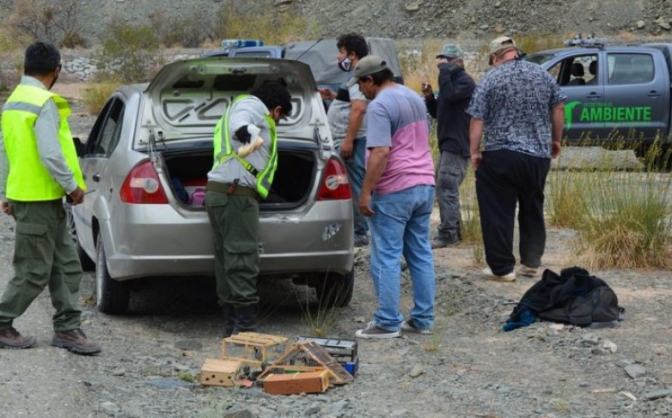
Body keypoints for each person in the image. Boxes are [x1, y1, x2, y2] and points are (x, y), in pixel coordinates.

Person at [0, 41, 101, 355]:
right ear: (56, 71)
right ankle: (2, 321)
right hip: (37, 200)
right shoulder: (43, 102)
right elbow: (50, 153)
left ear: (26, 68)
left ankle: (67, 328)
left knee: (67, 265)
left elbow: (6, 151)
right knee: (33, 270)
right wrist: (73, 186)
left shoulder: (14, 101)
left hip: (38, 198)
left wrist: (5, 191)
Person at [349, 56, 436, 339]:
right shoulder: (413, 97)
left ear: (370, 80)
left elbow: (381, 152)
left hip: (395, 189)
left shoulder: (380, 106)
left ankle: (387, 322)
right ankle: (422, 320)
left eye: (360, 84)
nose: (360, 91)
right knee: (420, 254)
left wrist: (365, 192)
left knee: (385, 256)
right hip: (424, 183)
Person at [467, 36, 566, 282]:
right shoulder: (542, 74)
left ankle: (502, 269)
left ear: (495, 57)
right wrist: (556, 139)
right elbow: (559, 107)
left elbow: (477, 119)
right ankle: (531, 262)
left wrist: (474, 151)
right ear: (515, 52)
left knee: (497, 211)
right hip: (537, 156)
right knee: (532, 206)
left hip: (502, 154)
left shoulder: (492, 77)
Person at [205, 82, 292, 337]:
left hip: (221, 192)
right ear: (275, 110)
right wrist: (247, 132)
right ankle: (245, 327)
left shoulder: (241, 106)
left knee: (226, 259)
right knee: (242, 257)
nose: (277, 123)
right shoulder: (251, 105)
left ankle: (232, 325)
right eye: (280, 118)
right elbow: (240, 122)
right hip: (236, 196)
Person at [422, 44, 476, 249]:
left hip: (458, 144)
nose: (443, 65)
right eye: (442, 61)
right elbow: (439, 113)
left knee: (446, 187)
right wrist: (429, 98)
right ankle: (453, 229)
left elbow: (452, 95)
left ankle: (449, 233)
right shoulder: (450, 83)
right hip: (449, 143)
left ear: (459, 62)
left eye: (448, 60)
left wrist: (443, 73)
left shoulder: (465, 81)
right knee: (445, 187)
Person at [319, 33, 370, 247]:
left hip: (351, 142)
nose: (338, 58)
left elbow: (358, 109)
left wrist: (348, 141)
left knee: (354, 185)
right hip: (348, 140)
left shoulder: (359, 76)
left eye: (341, 53)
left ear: (352, 54)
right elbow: (351, 103)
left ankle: (360, 232)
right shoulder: (354, 78)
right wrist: (333, 97)